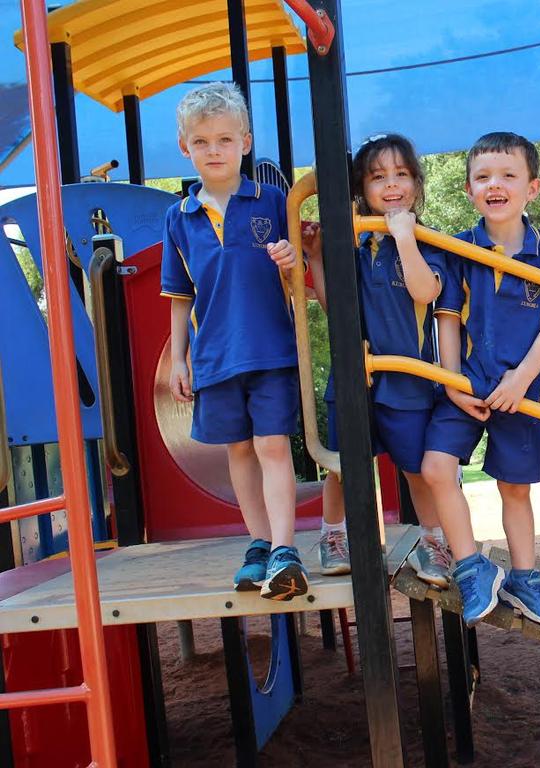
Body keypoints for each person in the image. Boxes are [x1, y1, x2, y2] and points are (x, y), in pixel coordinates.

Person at [421, 132, 540, 628]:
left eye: (508, 176)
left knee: (515, 488)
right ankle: (471, 565)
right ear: (469, 190)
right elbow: (447, 316)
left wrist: (521, 380)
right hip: (465, 382)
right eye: (483, 177)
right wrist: (450, 383)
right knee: (435, 468)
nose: (495, 185)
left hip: (521, 390)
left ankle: (525, 576)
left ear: (531, 188)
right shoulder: (459, 247)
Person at [161, 82, 307, 600]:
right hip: (216, 353)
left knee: (271, 444)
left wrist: (293, 261)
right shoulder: (179, 218)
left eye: (225, 139)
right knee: (238, 450)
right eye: (202, 142)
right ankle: (260, 544)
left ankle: (286, 548)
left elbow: (302, 280)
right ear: (186, 149)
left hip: (270, 347)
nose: (214, 150)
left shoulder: (271, 200)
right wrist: (178, 358)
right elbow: (180, 293)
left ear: (245, 142)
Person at [303, 134, 453, 588]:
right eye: (378, 177)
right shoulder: (350, 241)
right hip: (354, 373)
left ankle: (433, 540)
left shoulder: (424, 240)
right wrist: (315, 258)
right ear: (360, 188)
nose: (391, 185)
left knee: (414, 466)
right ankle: (334, 536)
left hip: (406, 374)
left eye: (402, 175)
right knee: (343, 463)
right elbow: (335, 310)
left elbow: (426, 292)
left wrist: (404, 236)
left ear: (416, 183)